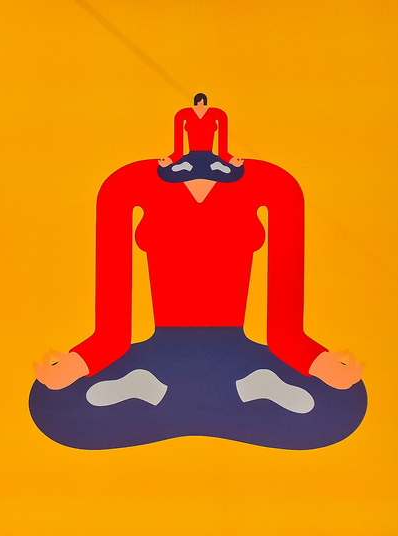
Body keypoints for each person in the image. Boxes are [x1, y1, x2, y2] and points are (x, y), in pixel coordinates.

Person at [30, 127, 366, 450]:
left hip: (234, 349)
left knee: (343, 401)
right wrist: (80, 362)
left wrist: (318, 362)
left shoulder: (273, 186)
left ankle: (205, 389)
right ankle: (200, 390)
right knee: (53, 402)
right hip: (164, 347)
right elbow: (112, 331)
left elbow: (284, 330)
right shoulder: (127, 185)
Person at [157, 93, 245, 184]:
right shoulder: (182, 114)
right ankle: (199, 167)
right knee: (163, 171)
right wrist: (169, 160)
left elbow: (223, 152)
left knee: (238, 171)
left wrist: (232, 160)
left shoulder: (219, 114)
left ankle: (207, 167)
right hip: (192, 156)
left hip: (209, 156)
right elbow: (178, 152)